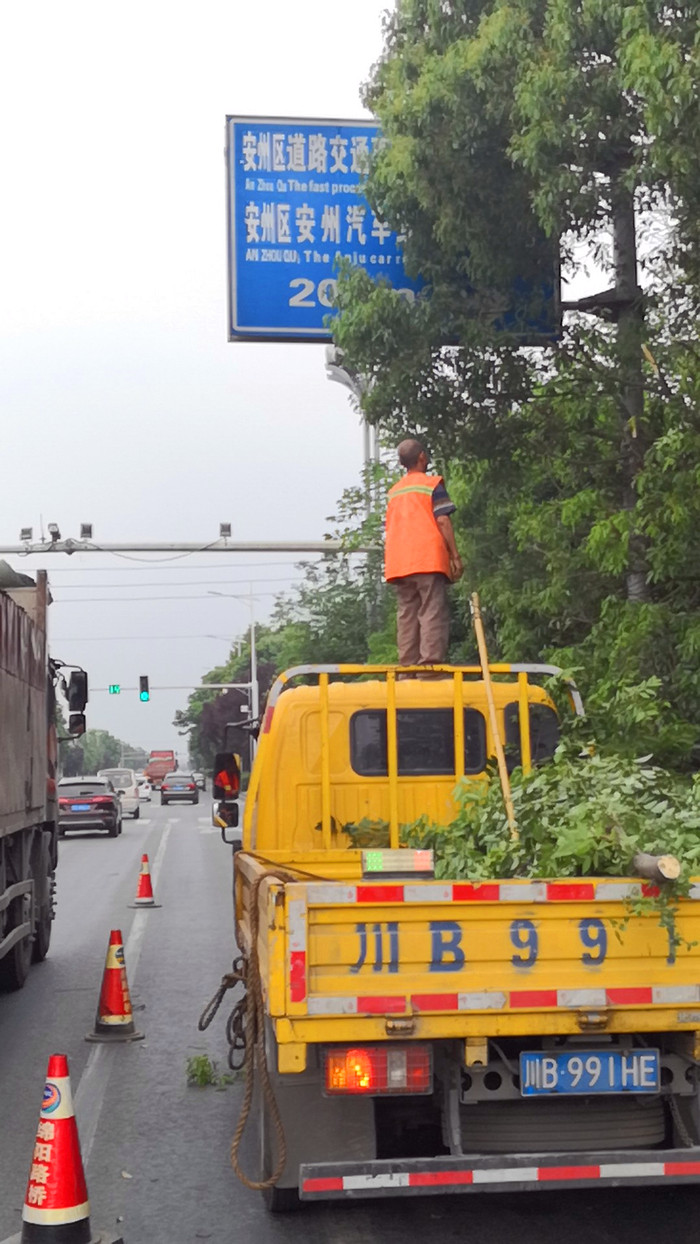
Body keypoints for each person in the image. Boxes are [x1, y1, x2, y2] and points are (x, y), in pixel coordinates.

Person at [384, 438, 463, 667]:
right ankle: (430, 666)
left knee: (407, 615)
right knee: (431, 611)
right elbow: (443, 521)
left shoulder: (394, 493)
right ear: (421, 457)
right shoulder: (432, 484)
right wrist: (455, 557)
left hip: (400, 564)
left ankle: (407, 668)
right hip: (427, 559)